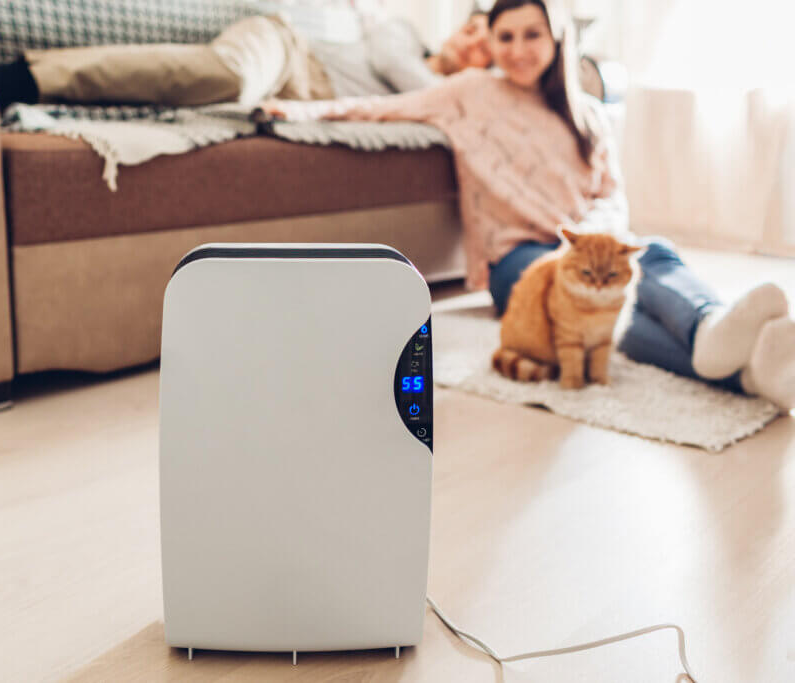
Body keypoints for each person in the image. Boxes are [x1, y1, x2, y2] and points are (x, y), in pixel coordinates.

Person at [265, 0, 795, 410]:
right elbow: (383, 108)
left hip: (585, 242)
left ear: (556, 35)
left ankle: (732, 354)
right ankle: (714, 337)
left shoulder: (586, 113)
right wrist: (297, 110)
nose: (518, 48)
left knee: (652, 253)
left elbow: (613, 194)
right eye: (506, 37)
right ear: (492, 42)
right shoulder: (469, 91)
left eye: (531, 34)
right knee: (581, 304)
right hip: (520, 258)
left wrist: (595, 238)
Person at [0, 12, 493, 111]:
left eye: (484, 48)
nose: (471, 44)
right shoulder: (402, 34)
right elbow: (401, 72)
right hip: (286, 52)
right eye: (472, 29)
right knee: (231, 78)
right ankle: (24, 77)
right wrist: (462, 87)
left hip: (297, 98)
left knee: (227, 93)